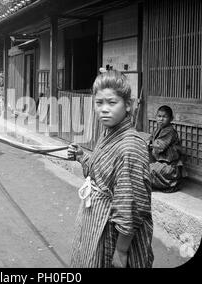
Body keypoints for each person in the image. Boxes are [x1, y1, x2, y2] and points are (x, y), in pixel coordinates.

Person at [68, 70, 153, 268]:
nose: (104, 109)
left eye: (112, 103)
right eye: (99, 103)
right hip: (96, 220)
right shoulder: (108, 133)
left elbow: (129, 204)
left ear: (128, 105)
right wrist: (82, 157)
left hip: (116, 235)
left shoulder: (130, 147)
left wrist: (121, 251)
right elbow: (98, 172)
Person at [149, 105, 185, 192]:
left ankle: (171, 184)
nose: (161, 119)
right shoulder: (158, 129)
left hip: (170, 167)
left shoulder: (169, 131)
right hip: (161, 163)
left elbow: (159, 146)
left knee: (148, 170)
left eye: (164, 117)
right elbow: (150, 141)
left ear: (171, 119)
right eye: (159, 116)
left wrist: (149, 144)